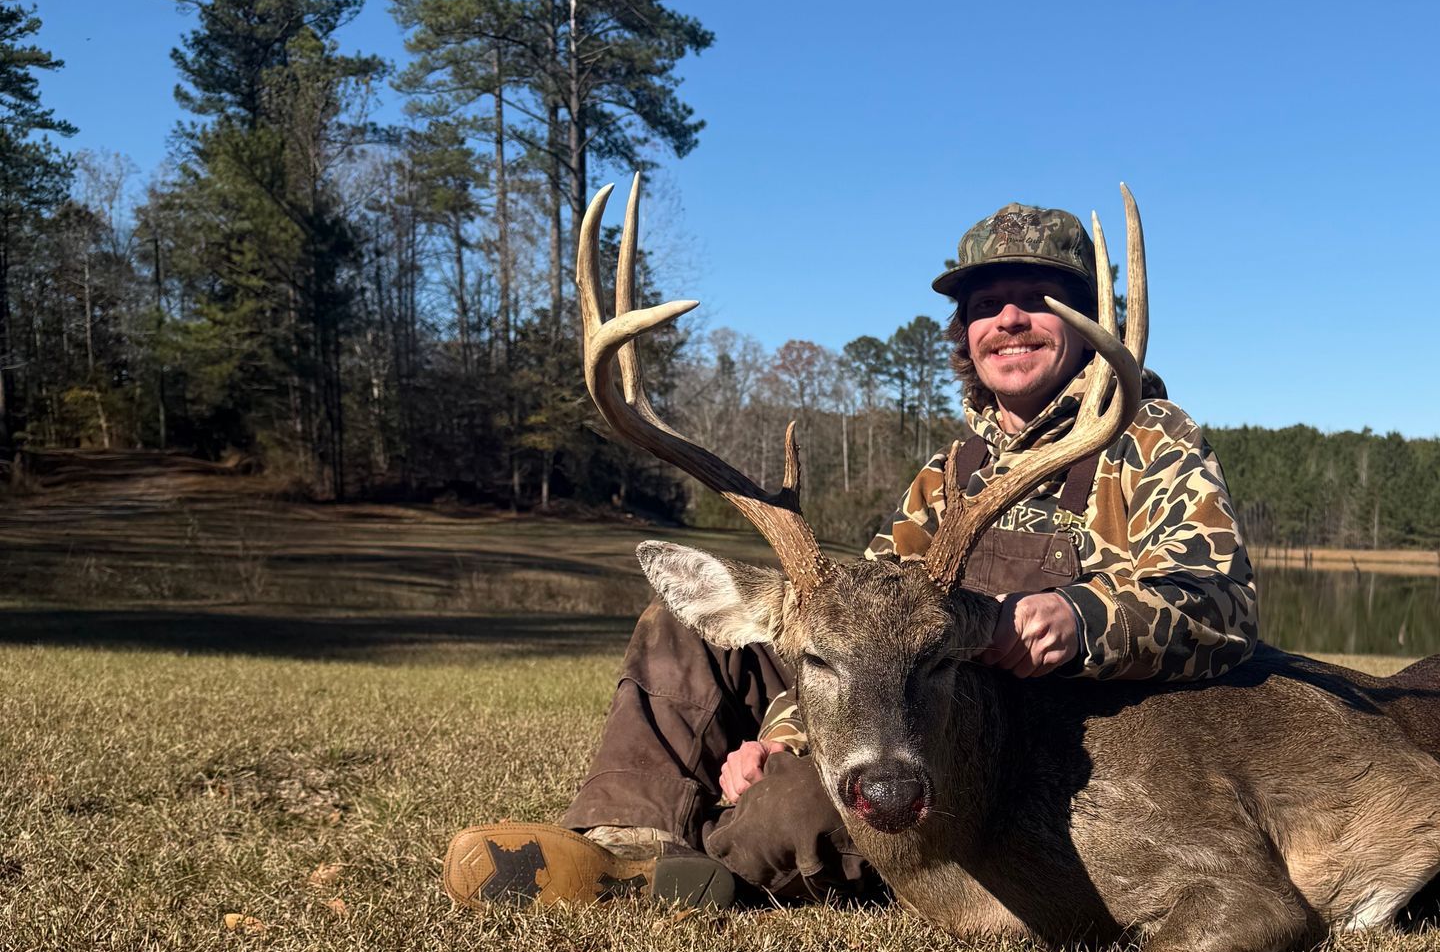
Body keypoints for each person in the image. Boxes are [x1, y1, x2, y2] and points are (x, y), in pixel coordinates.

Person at [442, 201, 1259, 911]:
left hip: (991, 747)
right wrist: (788, 731)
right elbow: (849, 628)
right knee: (681, 630)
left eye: (1037, 301)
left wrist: (1084, 620)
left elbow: (1224, 609)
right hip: (881, 700)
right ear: (964, 334)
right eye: (985, 304)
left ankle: (683, 875)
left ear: (1091, 323)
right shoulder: (951, 469)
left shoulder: (1150, 441)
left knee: (788, 815)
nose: (1008, 321)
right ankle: (618, 837)